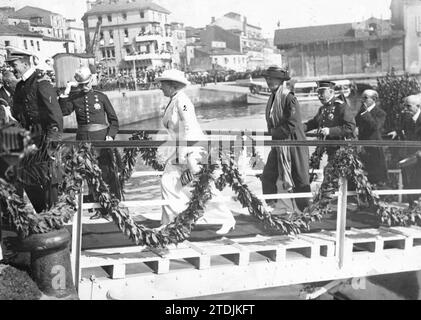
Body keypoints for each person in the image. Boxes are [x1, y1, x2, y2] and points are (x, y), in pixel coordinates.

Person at [156, 69, 235, 234]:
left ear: (172, 85)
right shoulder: (173, 100)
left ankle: (227, 219)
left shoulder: (182, 100)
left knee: (203, 184)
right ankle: (171, 221)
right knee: (168, 181)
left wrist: (185, 150)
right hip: (180, 148)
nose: (160, 86)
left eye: (163, 83)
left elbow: (189, 125)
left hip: (193, 147)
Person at [6, 48, 63, 213]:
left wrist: (52, 143)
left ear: (24, 63)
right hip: (29, 140)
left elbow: (55, 115)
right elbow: (18, 113)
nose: (11, 69)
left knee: (48, 180)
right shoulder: (21, 86)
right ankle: (42, 213)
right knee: (26, 178)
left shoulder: (41, 83)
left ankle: (53, 219)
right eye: (9, 65)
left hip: (44, 140)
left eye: (13, 64)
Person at [59, 67, 122, 200]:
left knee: (104, 172)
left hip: (101, 139)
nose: (85, 87)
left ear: (91, 80)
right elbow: (64, 112)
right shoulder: (74, 98)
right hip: (83, 140)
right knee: (88, 172)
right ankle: (95, 205)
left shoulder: (101, 97)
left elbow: (114, 121)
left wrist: (110, 136)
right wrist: (67, 91)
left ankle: (107, 205)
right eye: (81, 85)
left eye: (87, 83)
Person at [261, 66, 311, 213]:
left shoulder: (289, 98)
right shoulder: (272, 98)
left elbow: (292, 123)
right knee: (268, 176)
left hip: (293, 144)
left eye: (273, 78)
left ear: (281, 80)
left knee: (300, 179)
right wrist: (273, 133)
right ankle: (273, 205)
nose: (269, 81)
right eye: (267, 78)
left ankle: (306, 212)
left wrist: (274, 132)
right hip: (279, 144)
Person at [304, 80, 356, 159]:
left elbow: (350, 126)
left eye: (322, 92)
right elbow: (313, 123)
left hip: (341, 149)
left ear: (331, 92)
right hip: (328, 148)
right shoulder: (322, 109)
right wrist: (298, 128)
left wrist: (330, 131)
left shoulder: (340, 106)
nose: (319, 96)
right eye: (318, 92)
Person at [388, 95, 421, 204]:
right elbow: (400, 129)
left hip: (419, 157)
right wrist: (396, 132)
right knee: (408, 183)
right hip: (409, 157)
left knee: (417, 183)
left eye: (408, 106)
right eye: (405, 106)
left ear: (418, 106)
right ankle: (412, 208)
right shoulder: (406, 118)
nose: (405, 109)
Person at [355, 89, 388, 185]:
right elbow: (354, 124)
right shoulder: (361, 112)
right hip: (363, 148)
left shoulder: (380, 113)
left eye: (365, 98)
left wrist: (365, 113)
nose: (362, 100)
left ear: (374, 99)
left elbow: (375, 126)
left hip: (374, 149)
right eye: (362, 98)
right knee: (364, 175)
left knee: (375, 176)